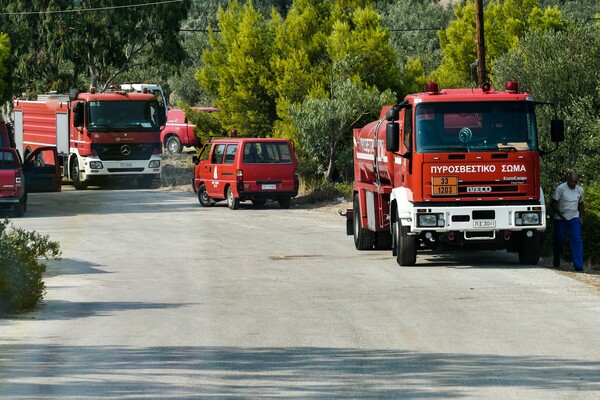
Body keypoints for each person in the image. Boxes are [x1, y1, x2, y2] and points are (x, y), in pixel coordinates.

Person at [551, 172, 585, 271]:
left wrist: (581, 217)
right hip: (560, 218)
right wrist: (560, 215)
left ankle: (578, 266)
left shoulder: (580, 190)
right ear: (567, 180)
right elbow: (553, 203)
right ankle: (556, 259)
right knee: (559, 240)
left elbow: (581, 204)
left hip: (574, 218)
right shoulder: (560, 189)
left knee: (577, 240)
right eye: (571, 181)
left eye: (575, 182)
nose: (573, 184)